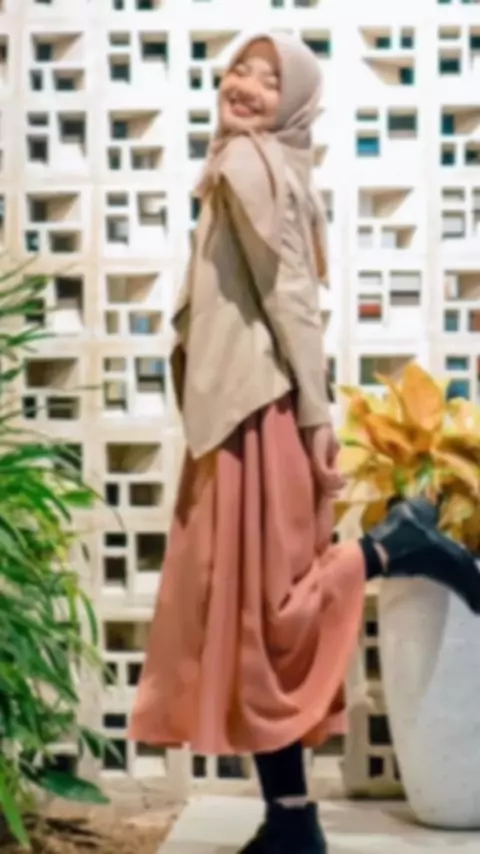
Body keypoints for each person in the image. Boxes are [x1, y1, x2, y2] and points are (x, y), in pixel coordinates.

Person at [129, 34, 480, 854]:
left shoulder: (248, 162)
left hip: (256, 418)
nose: (246, 85)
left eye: (269, 77)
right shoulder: (269, 164)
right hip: (244, 414)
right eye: (239, 68)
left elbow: (290, 296)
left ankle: (393, 547)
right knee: (254, 618)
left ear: (294, 102)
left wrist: (318, 421)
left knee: (265, 618)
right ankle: (291, 819)